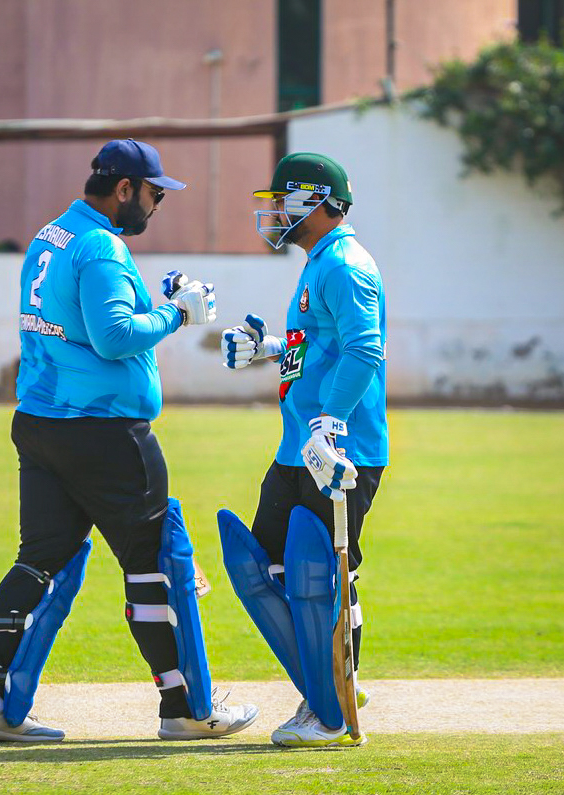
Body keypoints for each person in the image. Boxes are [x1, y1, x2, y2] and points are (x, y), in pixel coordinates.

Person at [0, 138, 258, 742]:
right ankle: (184, 708)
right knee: (154, 567)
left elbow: (79, 320)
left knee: (39, 558)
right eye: (153, 194)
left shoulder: (51, 235)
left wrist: (160, 303)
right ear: (124, 188)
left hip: (41, 422)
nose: (156, 205)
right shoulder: (100, 245)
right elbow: (115, 337)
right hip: (105, 432)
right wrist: (179, 315)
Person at [218, 152, 387, 748]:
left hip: (339, 447)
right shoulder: (319, 261)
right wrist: (269, 347)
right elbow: (320, 345)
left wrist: (331, 424)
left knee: (322, 574)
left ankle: (327, 706)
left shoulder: (345, 265)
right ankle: (336, 682)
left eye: (284, 200)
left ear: (318, 201)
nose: (275, 213)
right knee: (267, 567)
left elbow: (364, 351)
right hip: (297, 447)